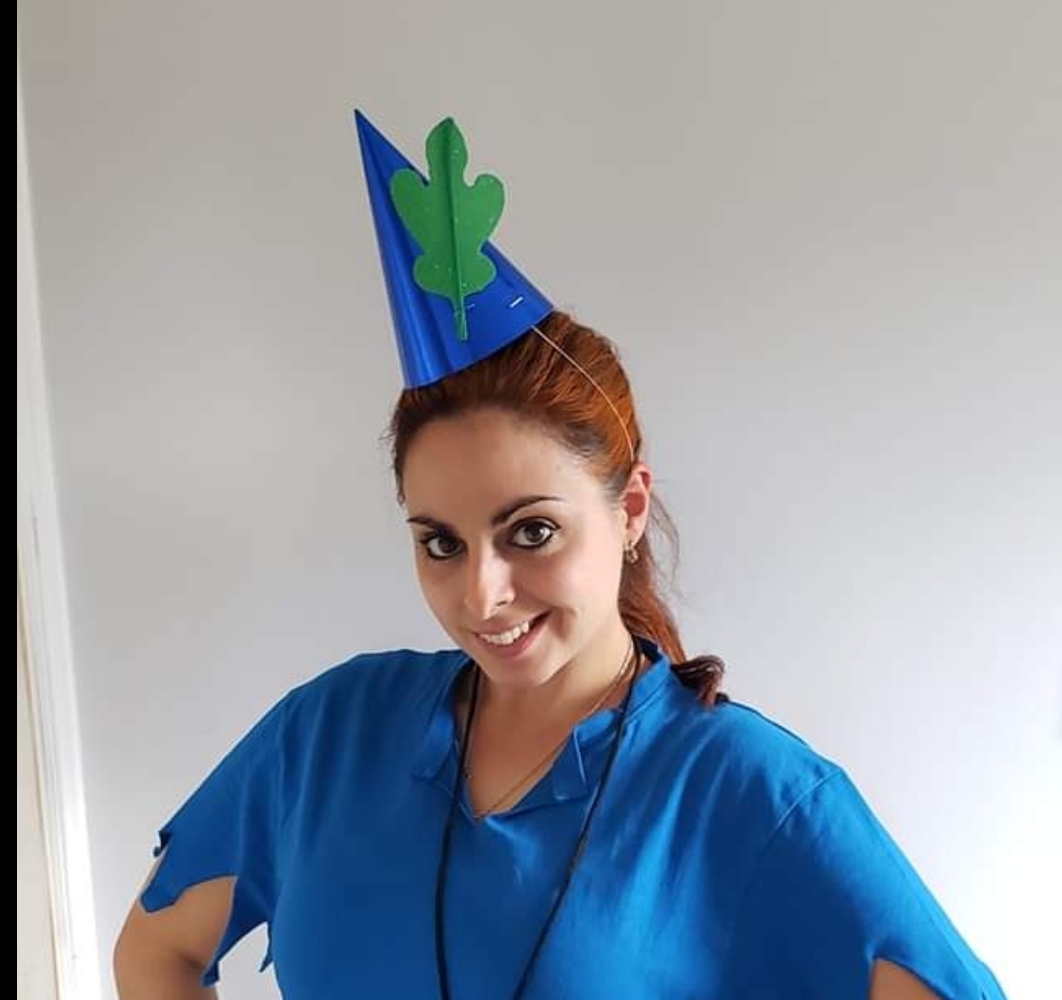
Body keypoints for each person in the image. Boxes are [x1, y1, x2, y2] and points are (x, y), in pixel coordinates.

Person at [114, 113, 1008, 1000]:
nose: (482, 595)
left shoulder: (747, 794)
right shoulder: (327, 738)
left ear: (629, 510)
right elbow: (155, 953)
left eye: (531, 532)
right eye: (441, 543)